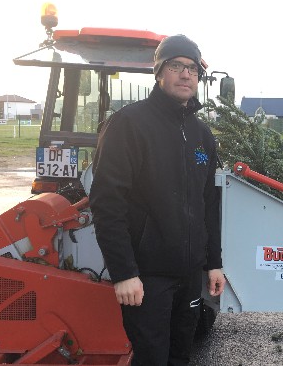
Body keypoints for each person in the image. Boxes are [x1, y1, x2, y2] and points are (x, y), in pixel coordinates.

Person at [89, 34, 226, 365]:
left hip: (190, 273)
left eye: (192, 68)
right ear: (159, 72)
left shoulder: (200, 133)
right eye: (176, 65)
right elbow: (107, 204)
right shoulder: (128, 124)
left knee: (181, 356)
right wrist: (123, 272)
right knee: (151, 358)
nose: (185, 74)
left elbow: (209, 203)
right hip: (147, 275)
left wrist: (213, 262)